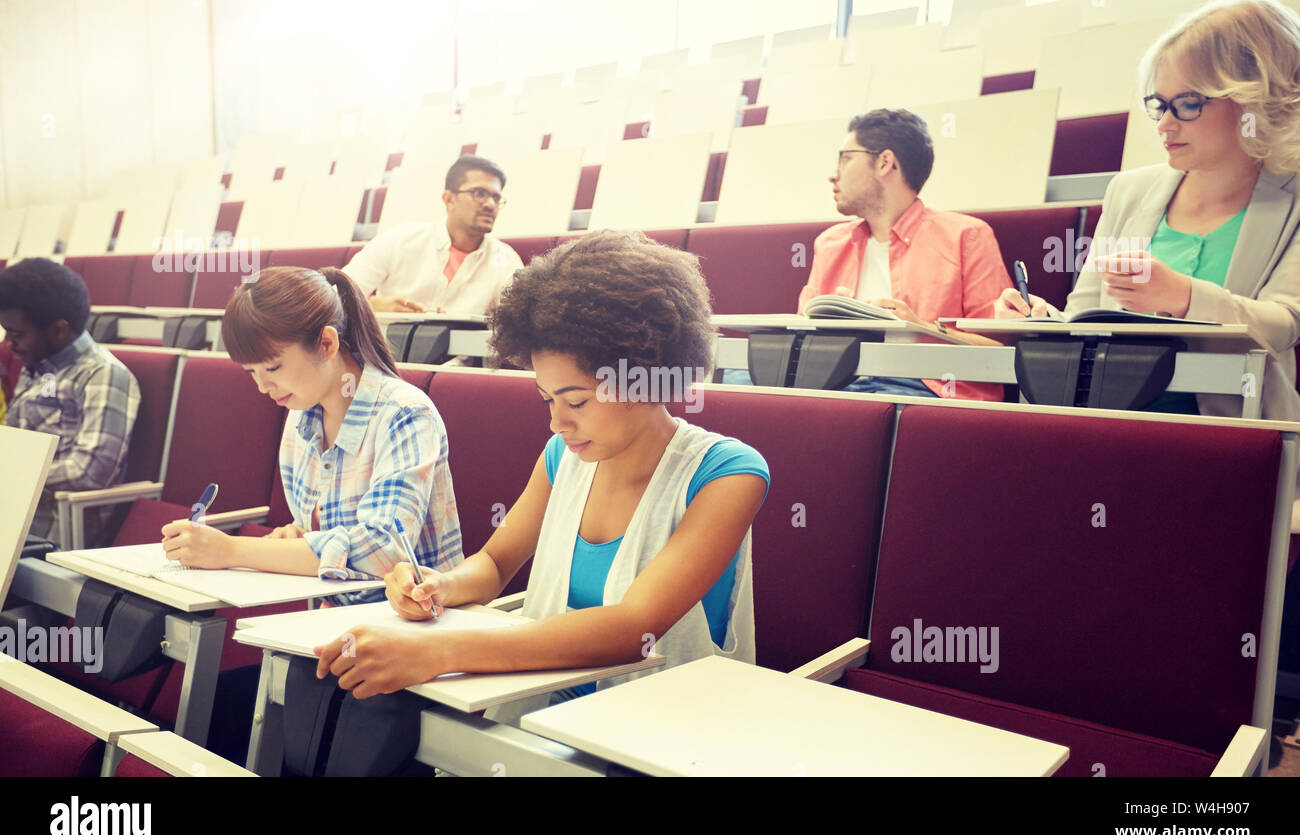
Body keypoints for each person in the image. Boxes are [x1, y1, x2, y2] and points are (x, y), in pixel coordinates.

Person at [313, 231, 769, 718]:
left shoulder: (729, 475)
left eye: (576, 402)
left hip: (665, 730)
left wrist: (438, 652)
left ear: (646, 375)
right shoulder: (562, 455)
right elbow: (494, 564)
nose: (557, 422)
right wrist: (440, 584)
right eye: (548, 400)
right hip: (546, 715)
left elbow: (635, 627)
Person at [994, 0, 1300, 423]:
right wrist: (1041, 320)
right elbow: (1084, 319)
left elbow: (1282, 327)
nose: (1164, 125)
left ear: (1256, 100)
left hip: (1232, 432)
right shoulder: (1130, 191)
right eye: (1159, 104)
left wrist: (1184, 296)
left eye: (1188, 104)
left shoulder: (1293, 197)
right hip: (1107, 421)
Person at [159, 266, 463, 606]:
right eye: (252, 373)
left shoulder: (405, 414)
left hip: (414, 628)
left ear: (327, 343)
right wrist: (298, 536)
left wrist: (232, 549)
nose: (262, 386)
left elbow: (384, 551)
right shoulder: (299, 416)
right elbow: (329, 532)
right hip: (331, 622)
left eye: (272, 368)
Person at [794, 109, 1011, 401]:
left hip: (922, 386)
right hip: (833, 380)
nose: (834, 175)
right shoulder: (830, 243)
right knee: (731, 379)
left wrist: (919, 328)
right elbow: (798, 334)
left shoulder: (967, 235)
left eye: (846, 159)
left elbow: (999, 351)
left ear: (885, 162)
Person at [0, 258, 140, 546]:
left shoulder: (102, 374)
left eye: (16, 334)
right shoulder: (38, 365)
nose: (8, 344)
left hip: (53, 532)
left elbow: (89, 472)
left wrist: (13, 470)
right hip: (14, 515)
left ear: (59, 330)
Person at [343, 154, 524, 315]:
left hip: (464, 354)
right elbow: (335, 295)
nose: (490, 205)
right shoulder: (399, 240)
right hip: (387, 351)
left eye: (496, 197)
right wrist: (372, 305)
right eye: (479, 193)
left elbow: (521, 322)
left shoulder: (506, 260)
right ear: (448, 199)